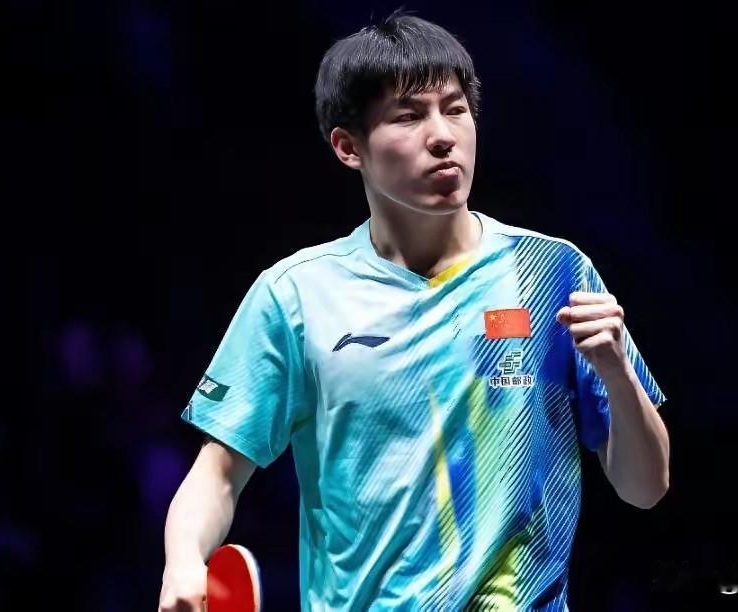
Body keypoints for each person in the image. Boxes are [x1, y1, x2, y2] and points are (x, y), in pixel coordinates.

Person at [159, 10, 669, 611]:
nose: (442, 135)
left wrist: (616, 372)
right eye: (408, 116)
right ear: (348, 147)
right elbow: (218, 474)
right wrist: (183, 560)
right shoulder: (297, 294)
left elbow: (646, 488)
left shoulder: (552, 273)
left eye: (455, 109)